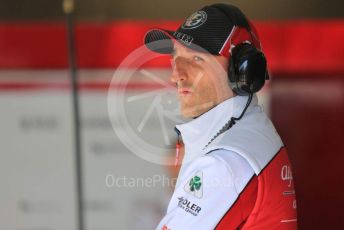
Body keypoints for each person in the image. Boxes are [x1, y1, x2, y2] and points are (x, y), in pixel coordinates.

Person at [144, 3, 297, 229]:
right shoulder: (248, 134)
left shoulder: (225, 162)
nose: (176, 76)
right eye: (175, 58)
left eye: (195, 59)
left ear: (242, 71)